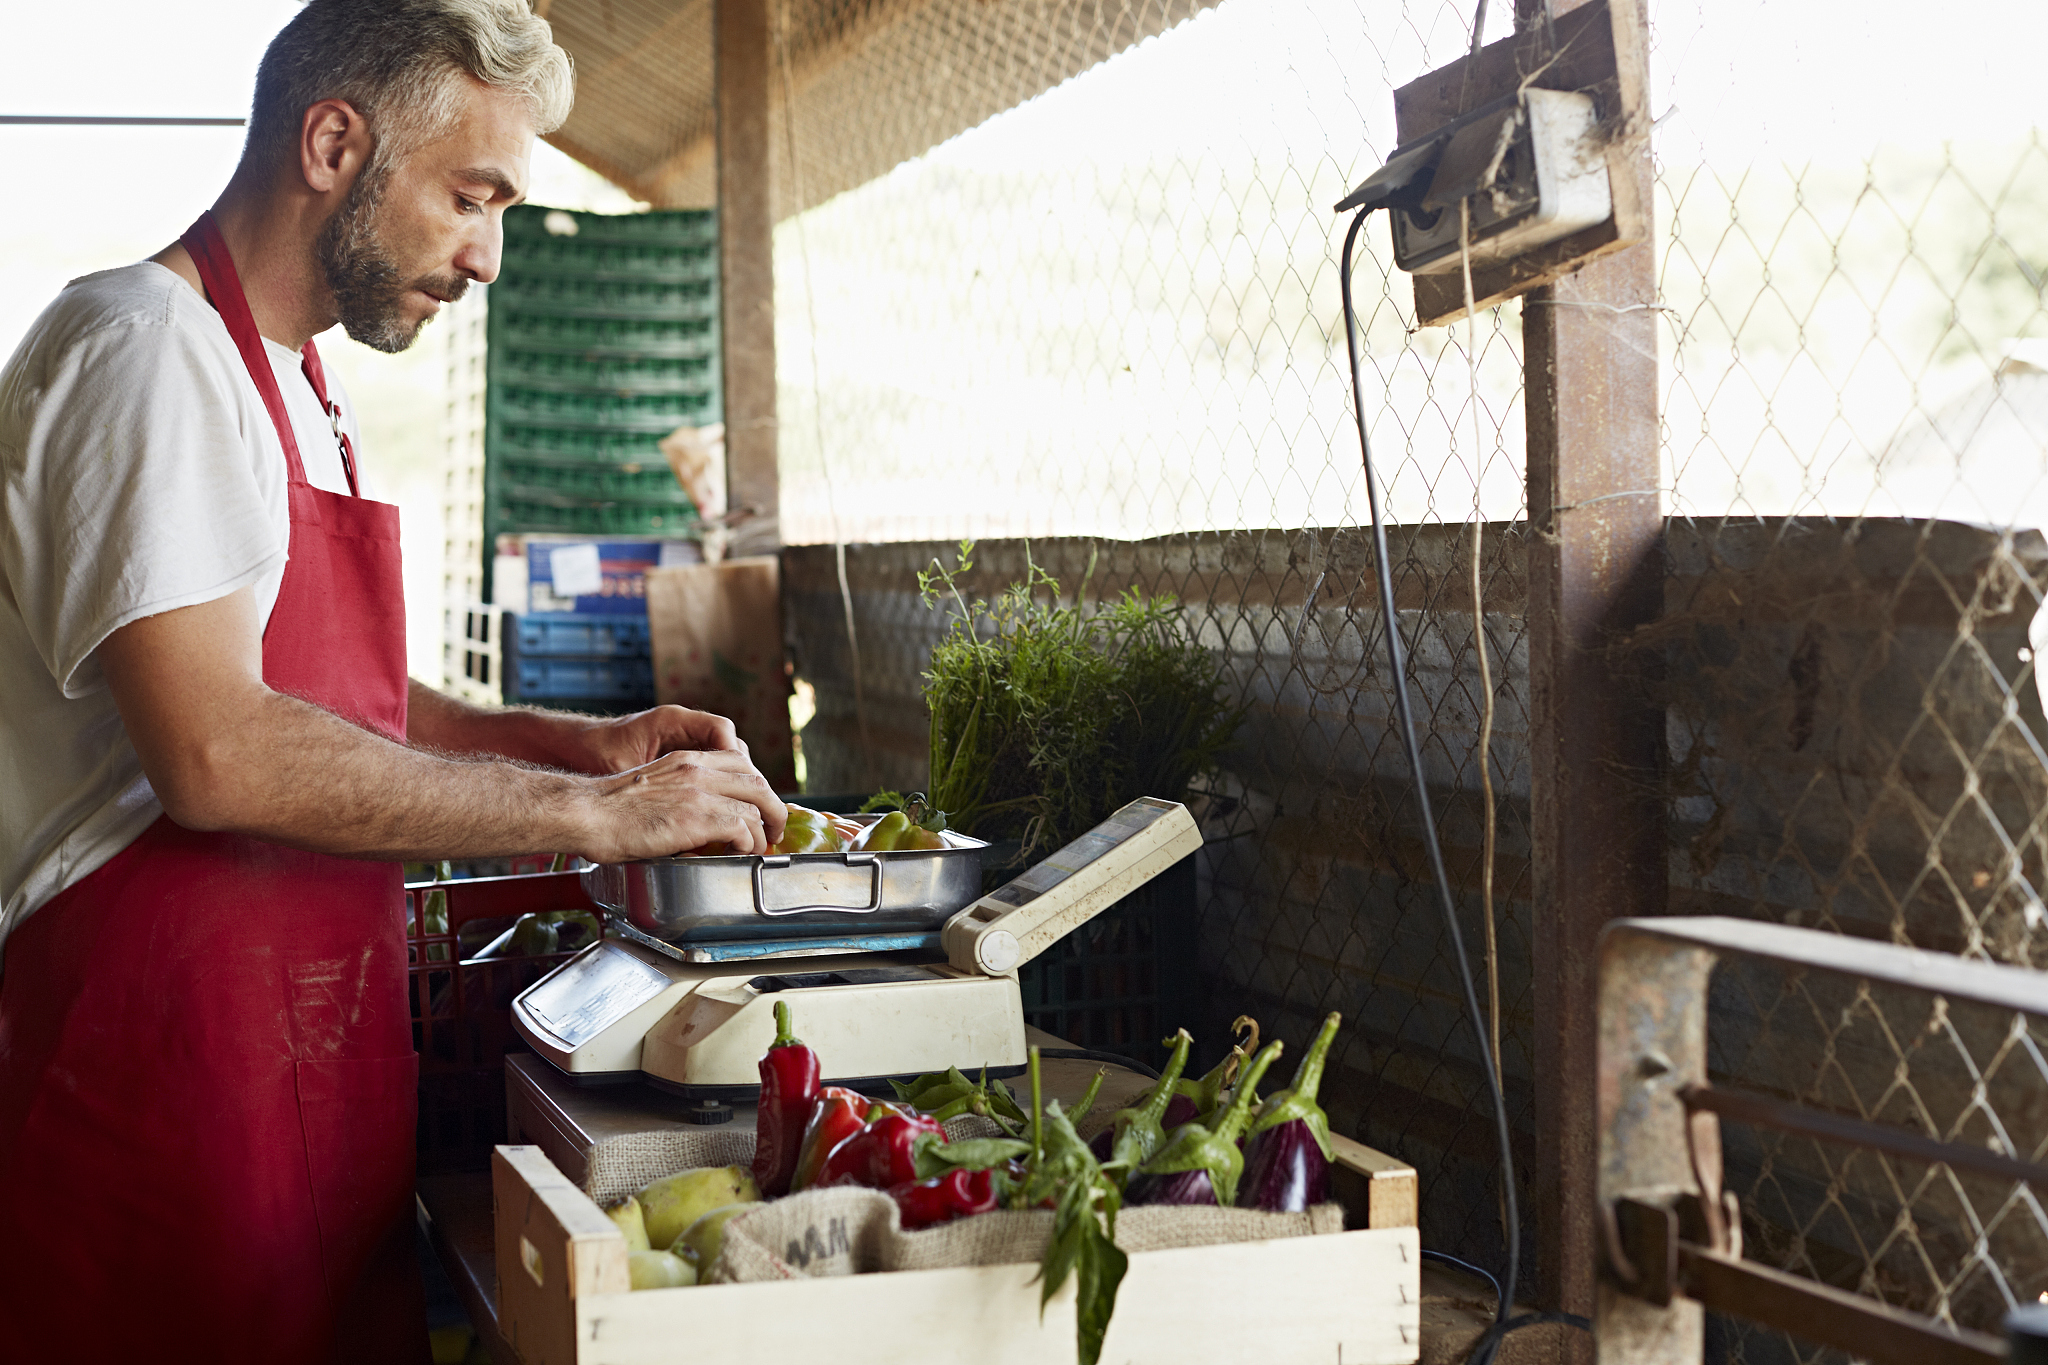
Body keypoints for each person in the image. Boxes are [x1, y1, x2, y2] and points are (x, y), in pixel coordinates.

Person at [0, 3, 786, 1360]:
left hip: (295, 1088)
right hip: (149, 1109)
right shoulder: (145, 349)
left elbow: (340, 697)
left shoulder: (299, 385)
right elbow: (219, 750)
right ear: (332, 142)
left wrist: (575, 744)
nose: (487, 255)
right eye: (469, 196)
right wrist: (593, 820)